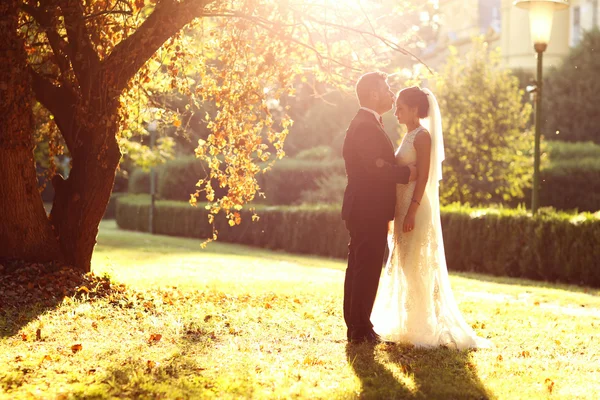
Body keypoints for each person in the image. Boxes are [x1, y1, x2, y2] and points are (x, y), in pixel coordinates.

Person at [371, 86, 492, 350]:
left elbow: (423, 177)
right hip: (401, 208)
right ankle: (407, 322)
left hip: (415, 208)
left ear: (415, 109)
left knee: (418, 267)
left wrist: (411, 210)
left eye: (400, 106)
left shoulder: (422, 137)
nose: (396, 110)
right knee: (405, 265)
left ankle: (424, 327)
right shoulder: (407, 135)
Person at [341, 72, 417, 344]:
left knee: (361, 265)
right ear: (373, 94)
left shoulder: (368, 123)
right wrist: (406, 173)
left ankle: (358, 326)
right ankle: (359, 329)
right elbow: (375, 167)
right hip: (366, 208)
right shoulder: (365, 125)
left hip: (366, 207)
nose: (391, 93)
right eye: (386, 88)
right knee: (366, 266)